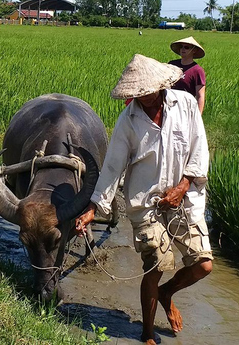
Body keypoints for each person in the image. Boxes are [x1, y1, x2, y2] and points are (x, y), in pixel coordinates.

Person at [75, 54, 212, 345]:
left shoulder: (185, 105)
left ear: (161, 84)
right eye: (139, 93)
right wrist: (93, 208)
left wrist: (183, 185)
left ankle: (167, 293)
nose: (145, 97)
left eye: (149, 91)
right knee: (156, 265)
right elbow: (113, 166)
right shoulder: (129, 119)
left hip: (185, 198)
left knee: (203, 265)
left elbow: (200, 147)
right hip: (146, 202)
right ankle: (147, 333)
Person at [168, 36, 206, 114]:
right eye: (181, 47)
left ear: (194, 50)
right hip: (169, 105)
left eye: (186, 47)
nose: (183, 49)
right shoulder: (172, 64)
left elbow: (200, 96)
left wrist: (198, 117)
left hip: (185, 108)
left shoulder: (197, 70)